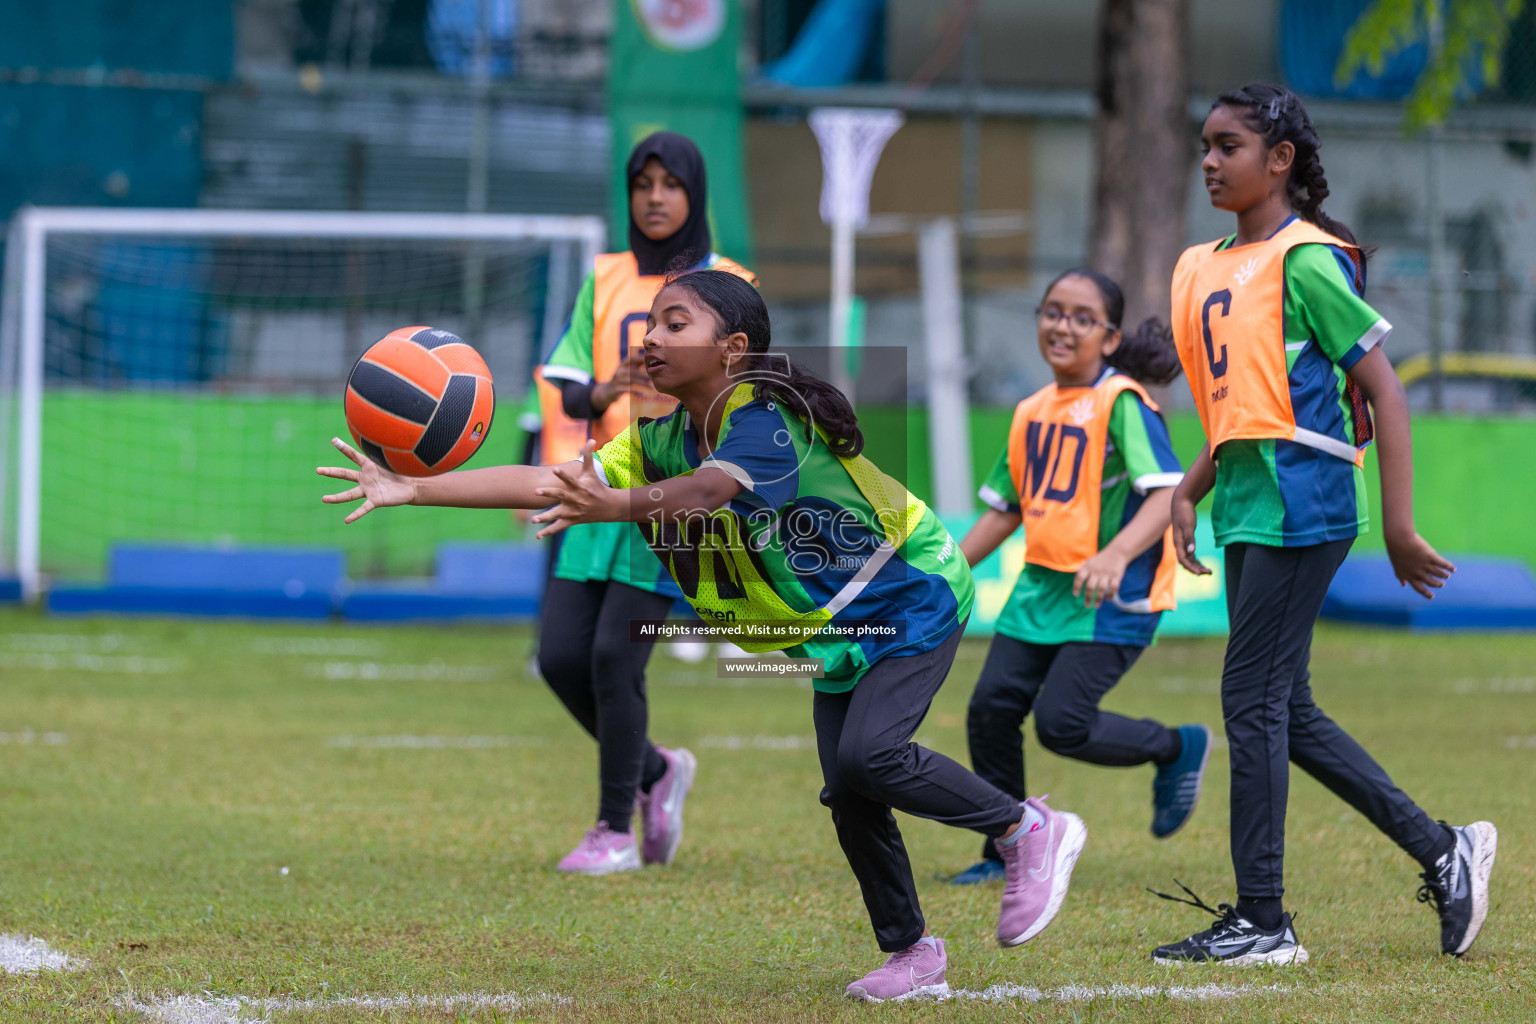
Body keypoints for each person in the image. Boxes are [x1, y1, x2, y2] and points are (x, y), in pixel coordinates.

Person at [317, 270, 1087, 1002]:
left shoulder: (765, 420)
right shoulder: (659, 437)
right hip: (831, 628)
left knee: (870, 755)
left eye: (673, 323)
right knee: (849, 794)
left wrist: (612, 505)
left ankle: (1028, 828)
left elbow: (707, 491)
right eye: (650, 321)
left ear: (733, 349)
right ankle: (913, 952)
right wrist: (410, 488)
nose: (650, 337)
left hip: (910, 593)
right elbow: (554, 481)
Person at [1153, 82, 1497, 966]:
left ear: (1281, 162)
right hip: (1245, 498)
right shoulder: (1202, 265)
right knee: (1285, 708)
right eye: (1205, 143)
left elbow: (1384, 389)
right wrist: (1190, 488)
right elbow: (1243, 408)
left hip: (1304, 500)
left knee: (1250, 701)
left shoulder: (1308, 260)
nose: (1209, 160)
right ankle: (1442, 848)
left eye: (1229, 145)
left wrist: (1400, 525)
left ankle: (1263, 921)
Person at [529, 131, 756, 875]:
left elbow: (753, 387)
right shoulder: (606, 277)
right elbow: (566, 383)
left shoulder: (729, 279)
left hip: (671, 501)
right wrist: (611, 388)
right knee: (561, 658)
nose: (655, 198)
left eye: (671, 184)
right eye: (642, 184)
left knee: (612, 662)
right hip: (600, 490)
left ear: (695, 194)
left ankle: (612, 830)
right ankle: (658, 774)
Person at [950, 268, 1210, 887]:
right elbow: (1005, 509)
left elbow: (1167, 492)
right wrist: (945, 570)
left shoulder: (1122, 403)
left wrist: (1116, 555)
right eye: (1053, 311)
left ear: (1111, 337)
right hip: (1041, 592)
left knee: (1062, 725)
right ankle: (1007, 848)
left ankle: (1175, 747)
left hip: (1112, 598)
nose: (1063, 326)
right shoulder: (1030, 410)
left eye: (1081, 317)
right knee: (989, 710)